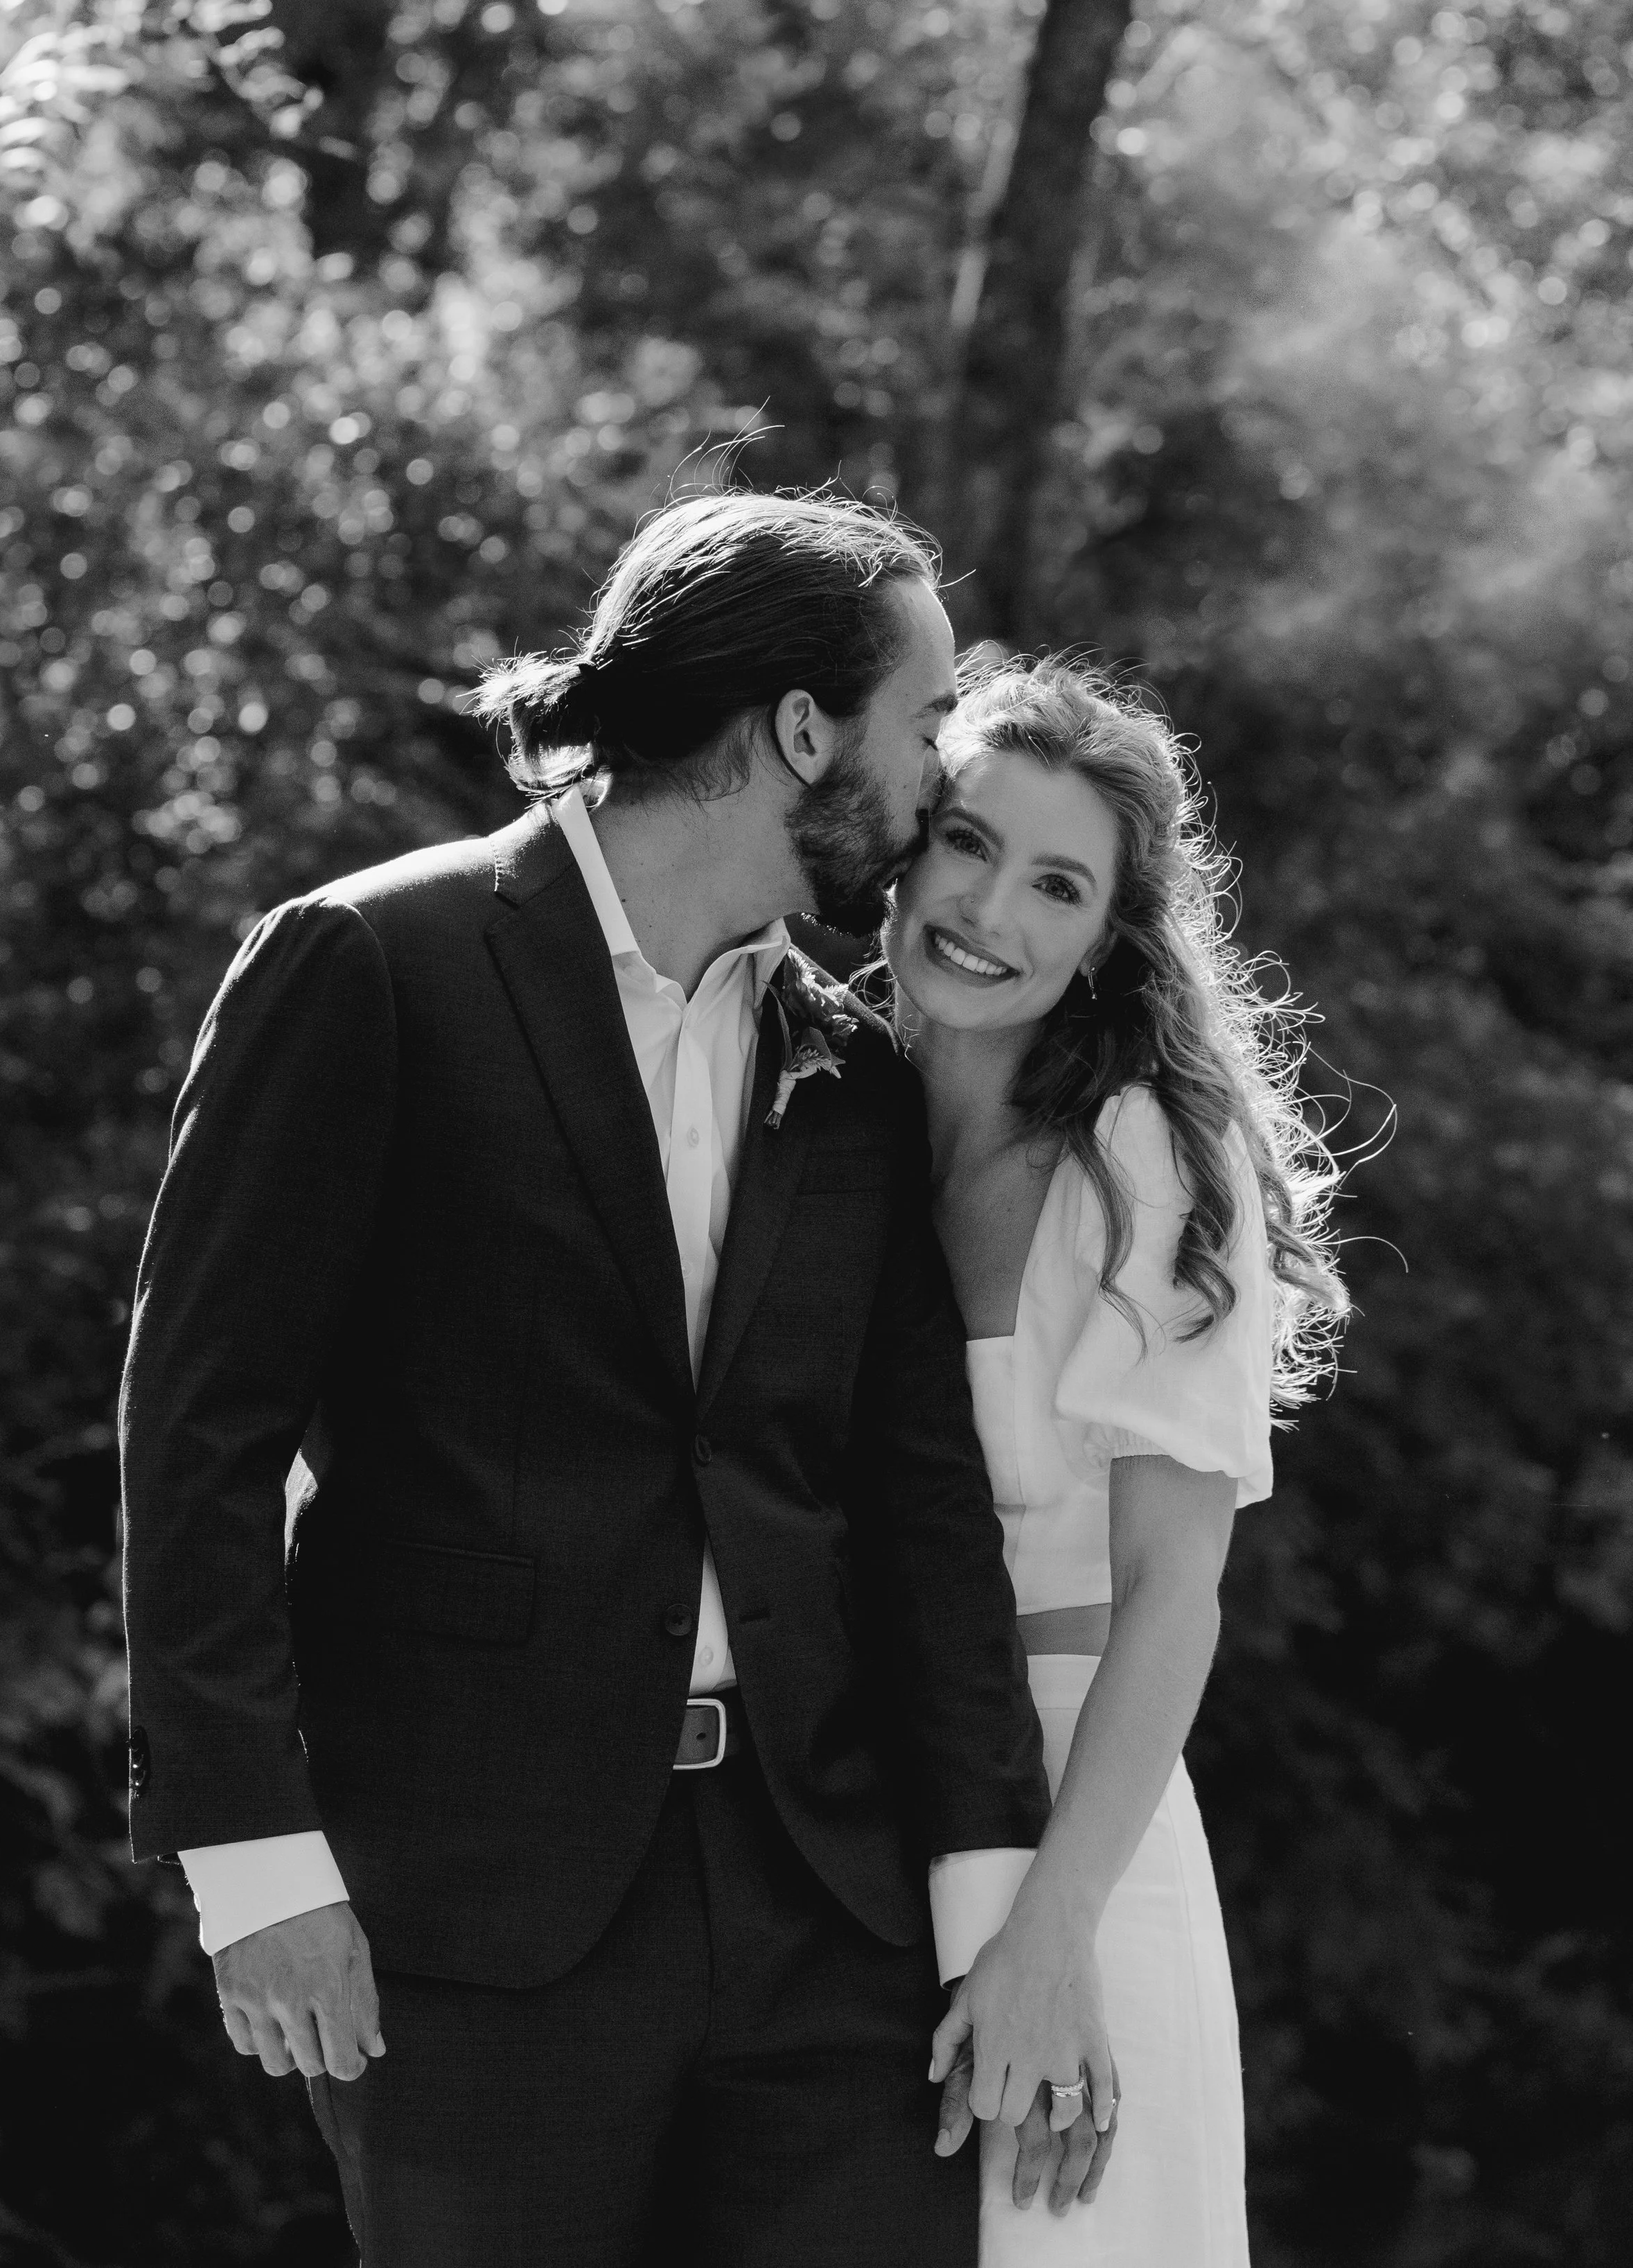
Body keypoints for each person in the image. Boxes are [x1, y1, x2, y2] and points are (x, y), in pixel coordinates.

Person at [118, 491, 1052, 2268]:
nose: (945, 780)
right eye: (925, 723)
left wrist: (986, 1903)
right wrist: (252, 1861)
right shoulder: (371, 966)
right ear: (797, 731)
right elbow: (200, 1432)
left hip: (830, 1917)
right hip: (471, 1920)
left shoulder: (851, 1069)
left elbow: (915, 1504)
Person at [885, 655, 1348, 2262]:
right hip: (842, 1814)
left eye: (1055, 885)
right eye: (963, 842)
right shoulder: (816, 1115)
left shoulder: (1146, 1156)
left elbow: (1171, 1595)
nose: (989, 909)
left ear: (1103, 940)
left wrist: (1044, 1937)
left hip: (1078, 1821)